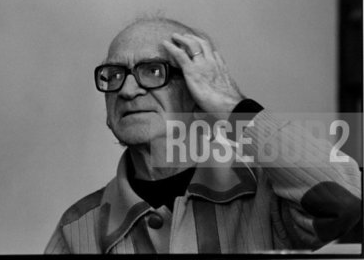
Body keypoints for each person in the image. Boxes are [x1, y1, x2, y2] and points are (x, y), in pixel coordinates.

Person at [44, 17, 362, 254]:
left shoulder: (266, 193)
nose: (126, 90)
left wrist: (231, 104)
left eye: (153, 71)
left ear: (198, 88)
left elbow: (345, 201)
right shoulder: (77, 229)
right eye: (113, 75)